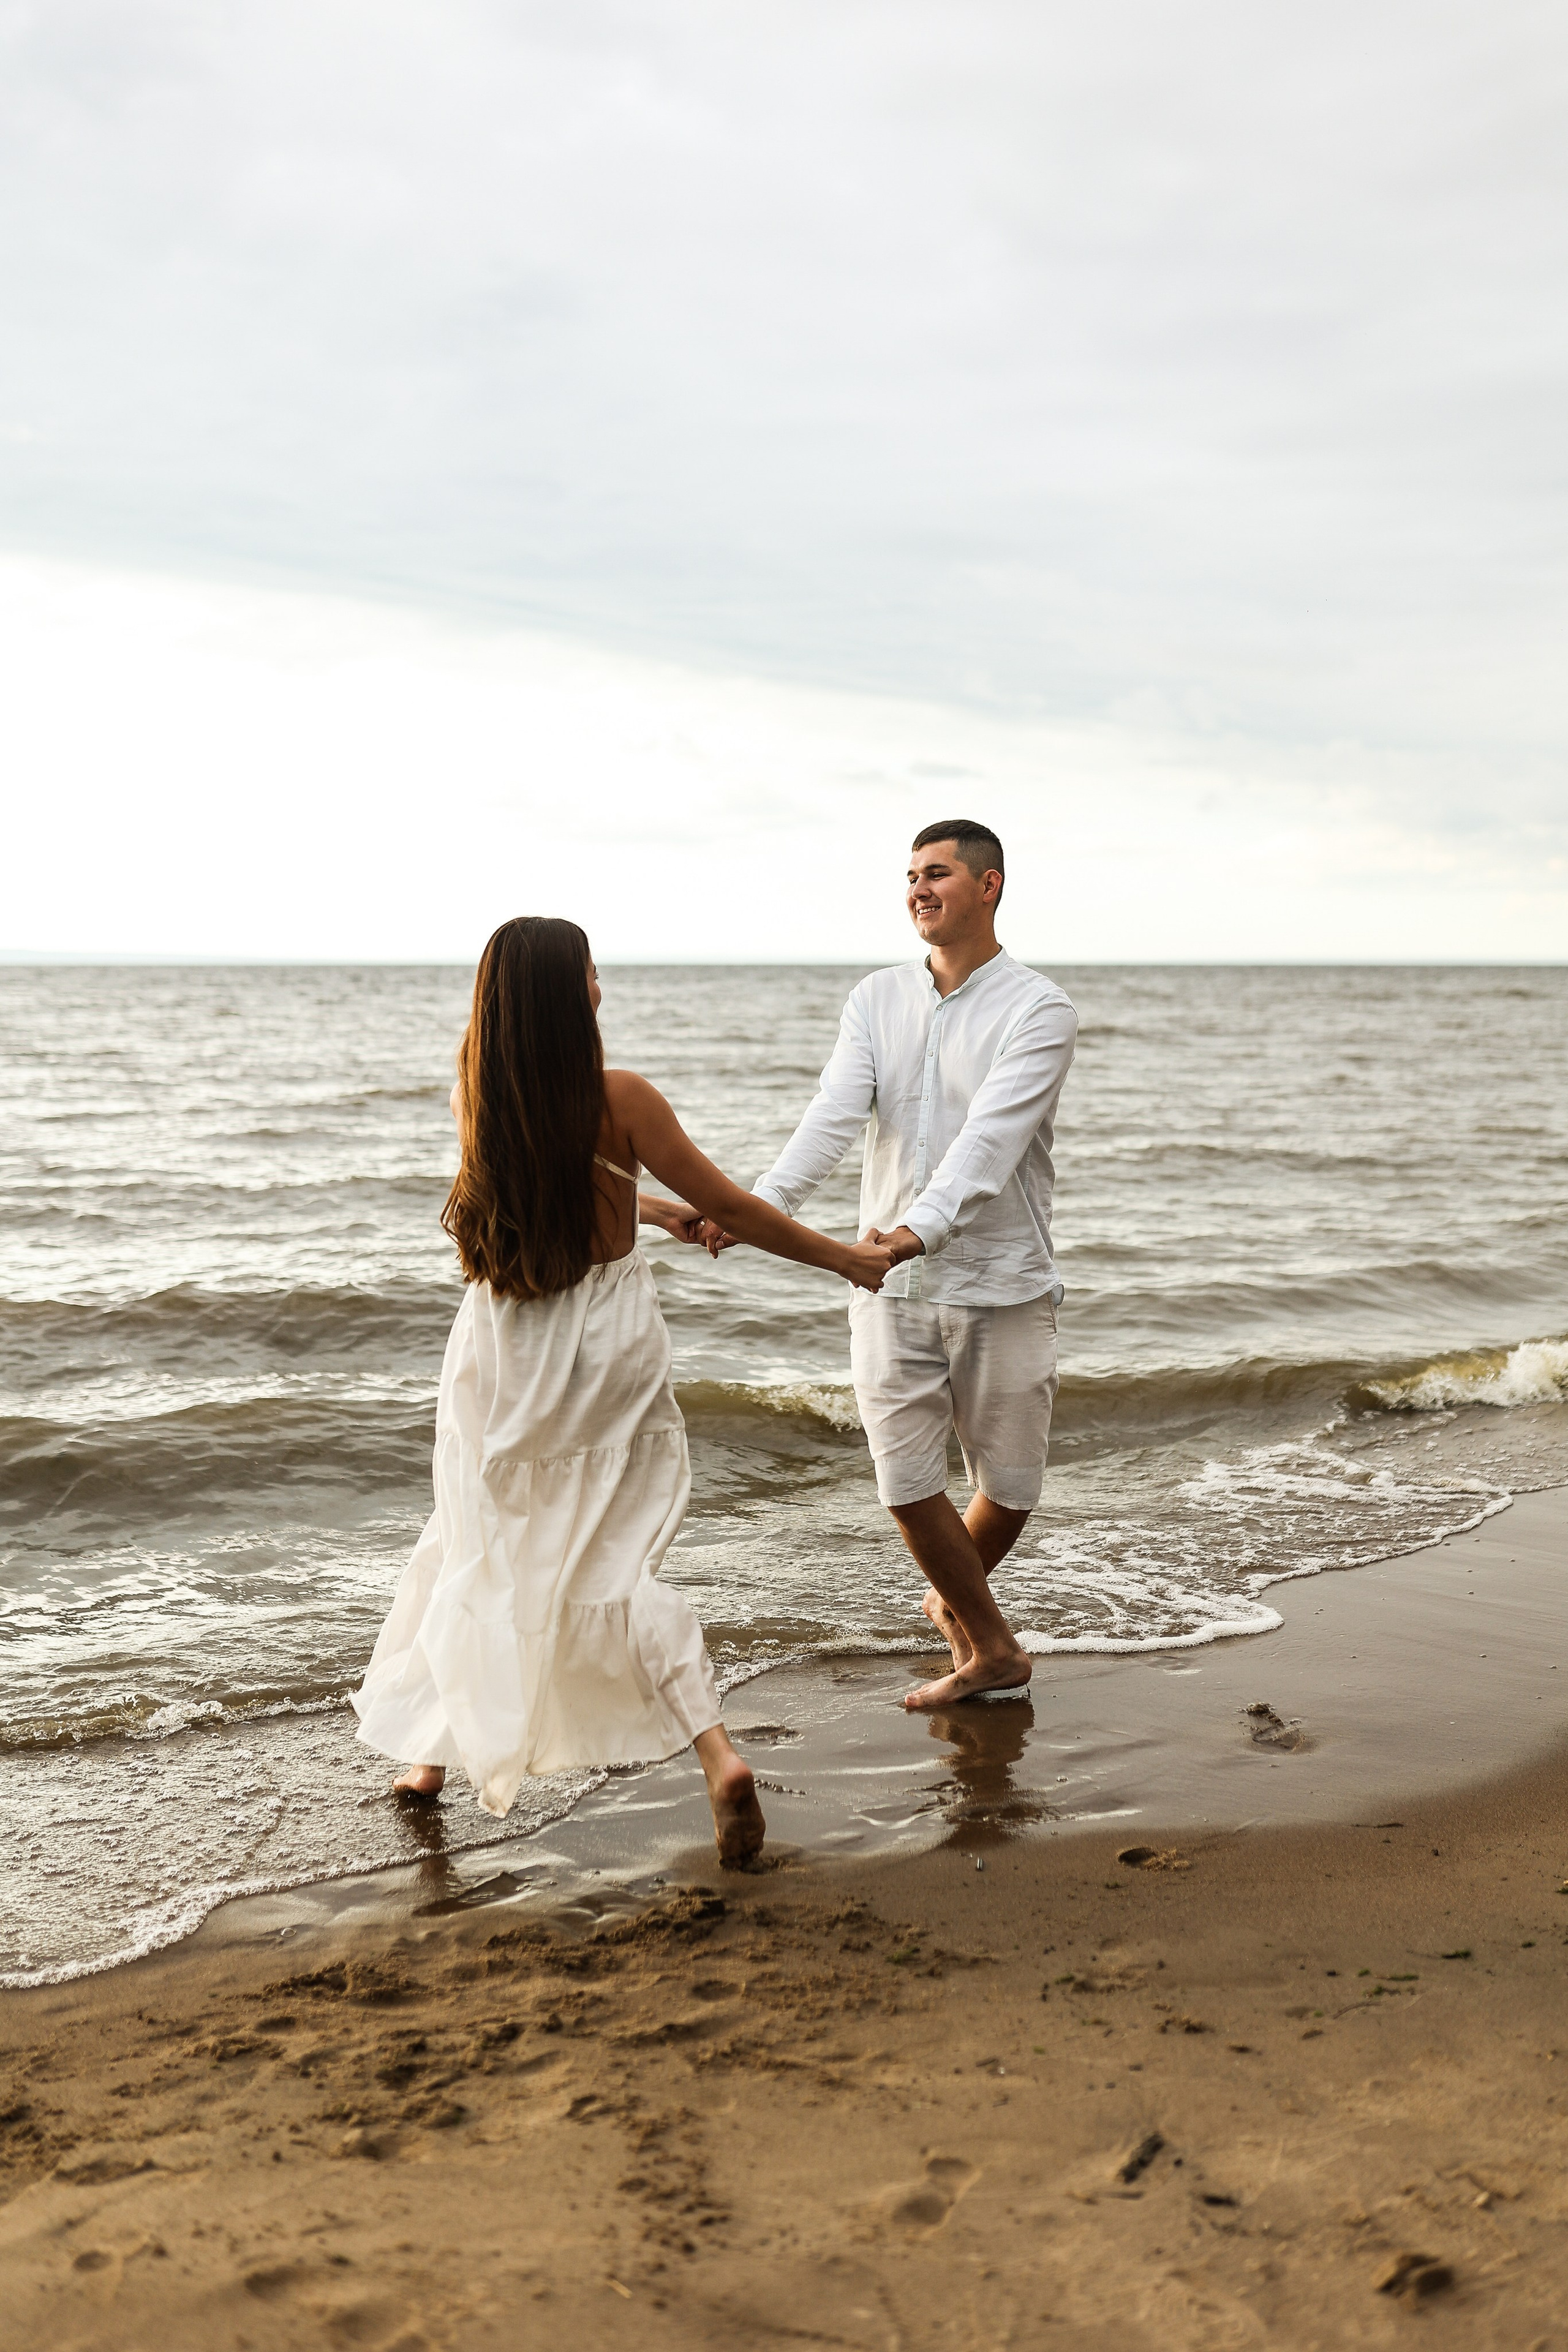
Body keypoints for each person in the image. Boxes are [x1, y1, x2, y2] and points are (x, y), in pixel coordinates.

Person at [352, 916, 894, 1866]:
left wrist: (645, 1204)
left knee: (481, 1536)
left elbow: (547, 1184)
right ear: (571, 995)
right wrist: (842, 1260)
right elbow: (734, 1205)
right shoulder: (623, 1099)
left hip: (503, 1343)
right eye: (593, 973)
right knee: (611, 1563)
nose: (602, 986)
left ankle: (428, 1761)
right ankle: (715, 1755)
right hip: (608, 1346)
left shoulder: (476, 1098)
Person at [705, 821, 1076, 1709]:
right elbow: (833, 1114)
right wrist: (760, 1209)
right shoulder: (876, 999)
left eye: (937, 873)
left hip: (1002, 1282)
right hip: (886, 1285)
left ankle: (955, 1599)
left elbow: (991, 1141)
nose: (919, 888)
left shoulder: (1039, 1009)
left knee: (1011, 1487)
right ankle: (993, 1647)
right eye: (910, 875)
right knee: (906, 1483)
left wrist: (915, 1231)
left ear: (988, 886)